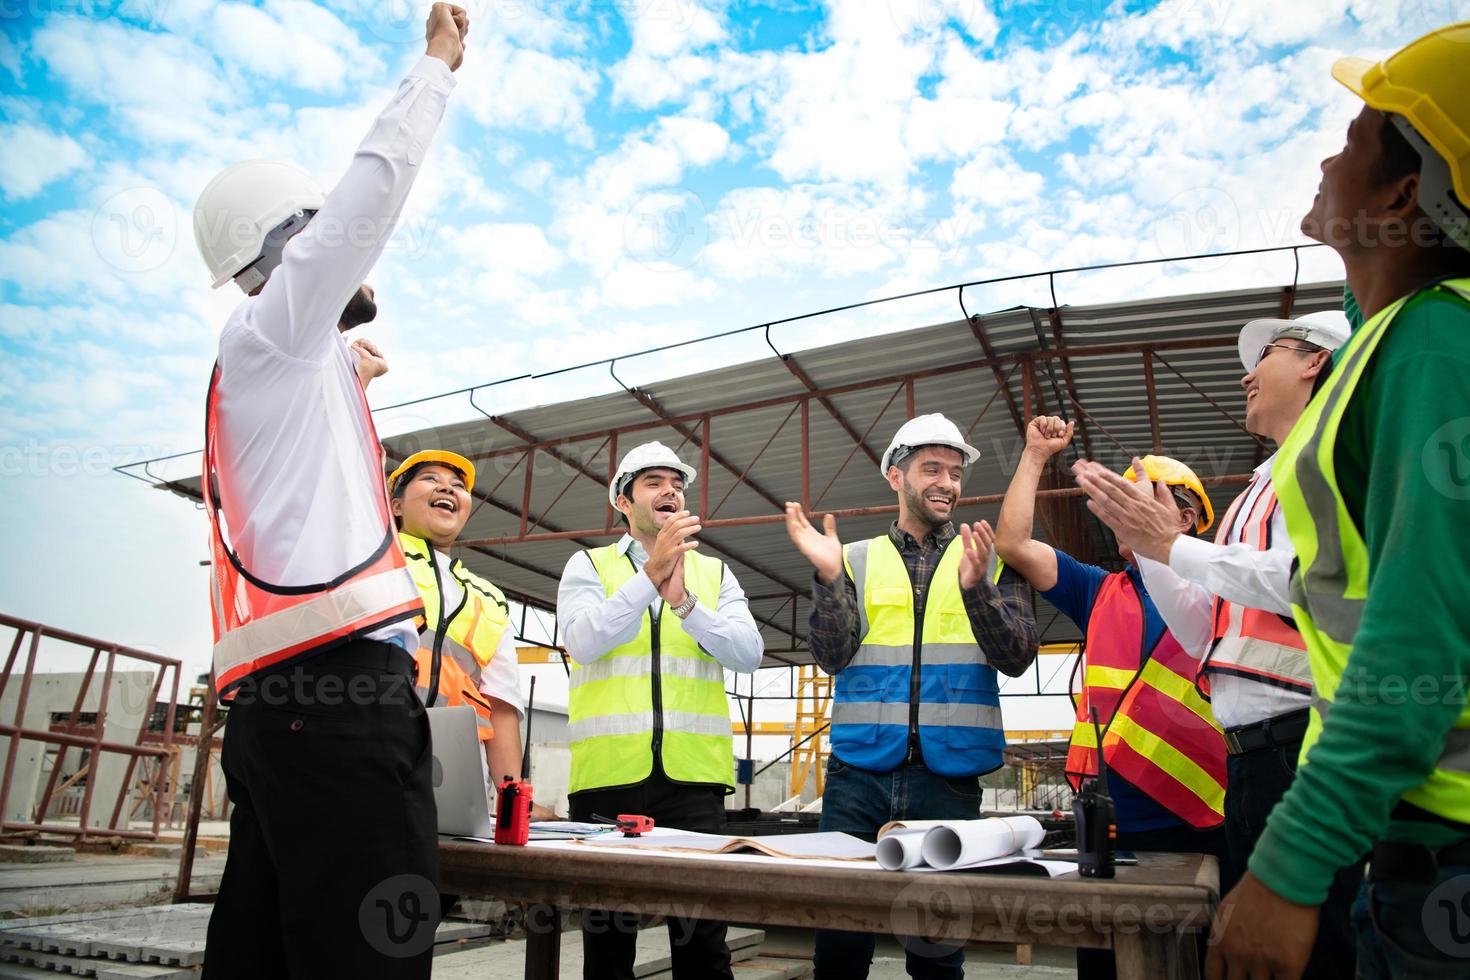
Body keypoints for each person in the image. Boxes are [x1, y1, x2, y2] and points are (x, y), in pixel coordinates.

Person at [193, 7, 468, 977]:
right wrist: (435, 69)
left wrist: (354, 375)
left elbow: (306, 477)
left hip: (283, 707)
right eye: (311, 235)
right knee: (371, 958)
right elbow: (367, 202)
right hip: (335, 699)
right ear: (279, 252)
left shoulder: (276, 363)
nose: (346, 255)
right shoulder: (270, 332)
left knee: (264, 957)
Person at [1208, 22, 1470, 979]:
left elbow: (1416, 644)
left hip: (1446, 842)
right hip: (1409, 828)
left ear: (1406, 190)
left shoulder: (1437, 349)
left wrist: (1287, 869)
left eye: (1360, 132)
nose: (1329, 151)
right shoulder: (1397, 336)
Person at [1070, 311, 1360, 977]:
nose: (1245, 374)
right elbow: (1206, 628)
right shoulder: (1259, 488)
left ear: (1314, 361)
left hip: (1304, 743)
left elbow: (1307, 582)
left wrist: (1171, 543)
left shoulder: (1335, 456)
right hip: (1255, 763)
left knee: (1319, 955)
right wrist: (1154, 550)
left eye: (1266, 355)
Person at [785, 413, 1039, 980]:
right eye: (931, 469)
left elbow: (1018, 657)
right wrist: (827, 582)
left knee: (937, 951)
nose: (946, 482)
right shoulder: (850, 558)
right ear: (895, 476)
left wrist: (979, 593)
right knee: (841, 945)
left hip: (948, 782)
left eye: (954, 472)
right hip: (858, 776)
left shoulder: (993, 555)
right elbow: (832, 655)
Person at [995, 417, 1225, 980]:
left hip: (1199, 822)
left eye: (1138, 494)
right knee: (1100, 965)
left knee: (1189, 963)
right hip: (1107, 824)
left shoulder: (1225, 589)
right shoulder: (1099, 589)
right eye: (1117, 496)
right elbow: (1013, 544)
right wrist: (1033, 455)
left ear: (1189, 517)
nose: (1121, 505)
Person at [555, 441, 763, 980]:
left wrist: (685, 605)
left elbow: (748, 653)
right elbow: (582, 641)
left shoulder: (715, 575)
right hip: (609, 783)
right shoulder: (588, 565)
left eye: (678, 484)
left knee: (703, 946)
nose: (670, 491)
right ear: (622, 501)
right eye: (653, 482)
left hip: (693, 784)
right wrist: (648, 579)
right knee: (607, 944)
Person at [387, 449, 526, 790]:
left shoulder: (490, 599)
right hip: (368, 747)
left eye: (457, 486)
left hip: (452, 772)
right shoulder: (374, 560)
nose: (447, 489)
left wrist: (512, 792)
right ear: (396, 506)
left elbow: (500, 704)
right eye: (430, 479)